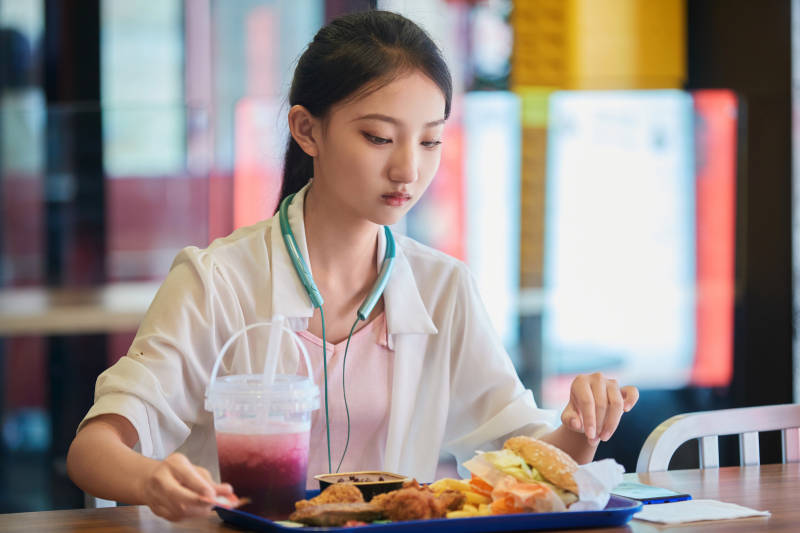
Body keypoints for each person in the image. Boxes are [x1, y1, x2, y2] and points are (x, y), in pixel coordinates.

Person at [67, 10, 638, 522]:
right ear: (306, 129)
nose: (408, 170)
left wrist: (583, 424)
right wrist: (151, 480)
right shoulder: (218, 281)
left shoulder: (444, 288)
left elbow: (527, 461)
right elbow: (93, 451)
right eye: (379, 137)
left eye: (431, 141)